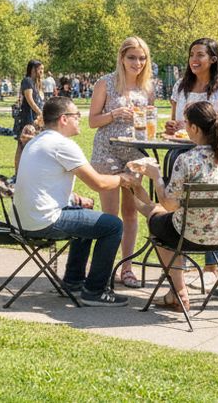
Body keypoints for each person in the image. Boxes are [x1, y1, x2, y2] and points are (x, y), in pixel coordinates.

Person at [123, 102, 218, 312]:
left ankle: (179, 291)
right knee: (156, 213)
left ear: (195, 128)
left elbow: (169, 204)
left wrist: (155, 176)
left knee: (156, 220)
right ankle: (136, 191)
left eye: (186, 123)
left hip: (189, 235)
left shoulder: (187, 159)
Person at [14, 96, 131, 307]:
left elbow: (43, 183)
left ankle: (74, 281)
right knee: (113, 226)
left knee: (84, 212)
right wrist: (125, 178)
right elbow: (99, 183)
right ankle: (95, 291)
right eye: (76, 115)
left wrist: (74, 198)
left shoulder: (38, 141)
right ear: (63, 119)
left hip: (23, 220)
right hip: (44, 221)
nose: (80, 119)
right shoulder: (62, 145)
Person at [167, 37, 218, 289]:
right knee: (177, 204)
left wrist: (207, 125)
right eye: (191, 54)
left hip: (213, 155)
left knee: (211, 206)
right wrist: (173, 126)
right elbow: (174, 121)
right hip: (180, 154)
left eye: (200, 54)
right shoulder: (180, 86)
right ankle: (181, 265)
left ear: (213, 59)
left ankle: (212, 267)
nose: (194, 59)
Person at [88, 36, 155, 289]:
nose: (137, 63)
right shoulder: (105, 83)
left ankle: (127, 268)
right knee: (110, 216)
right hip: (107, 150)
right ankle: (104, 269)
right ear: (122, 58)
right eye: (132, 57)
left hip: (135, 152)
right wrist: (114, 114)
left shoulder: (147, 87)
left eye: (142, 58)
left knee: (130, 212)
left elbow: (149, 120)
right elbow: (92, 121)